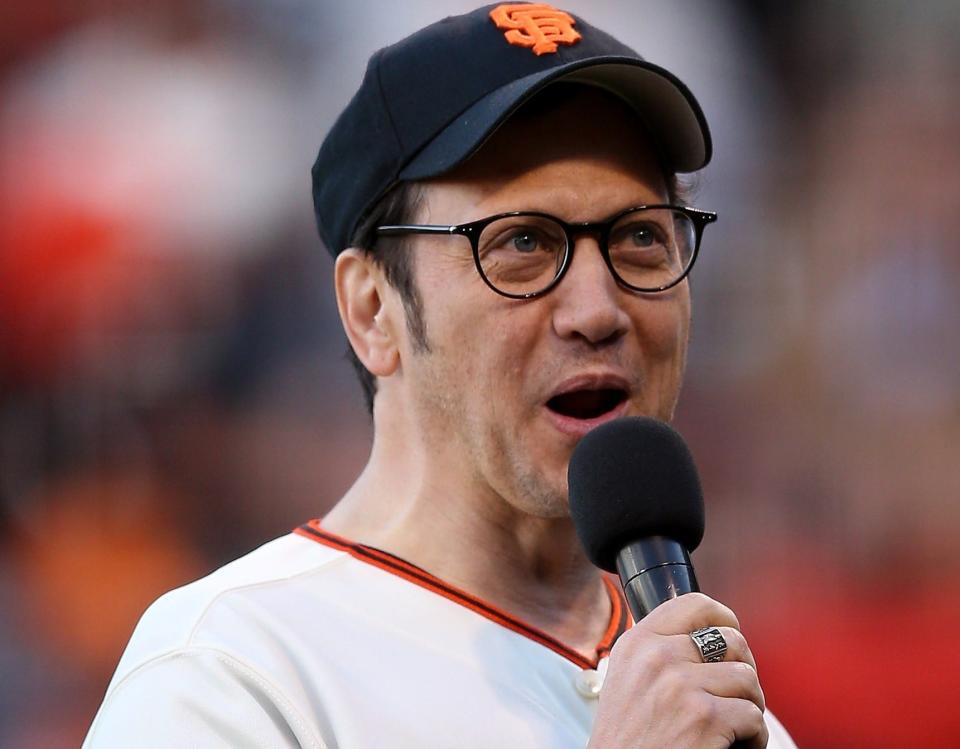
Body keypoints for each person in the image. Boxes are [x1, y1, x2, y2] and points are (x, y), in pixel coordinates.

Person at [84, 4, 797, 747]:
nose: (598, 309)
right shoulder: (232, 674)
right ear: (371, 310)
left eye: (641, 236)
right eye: (522, 241)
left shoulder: (723, 710)